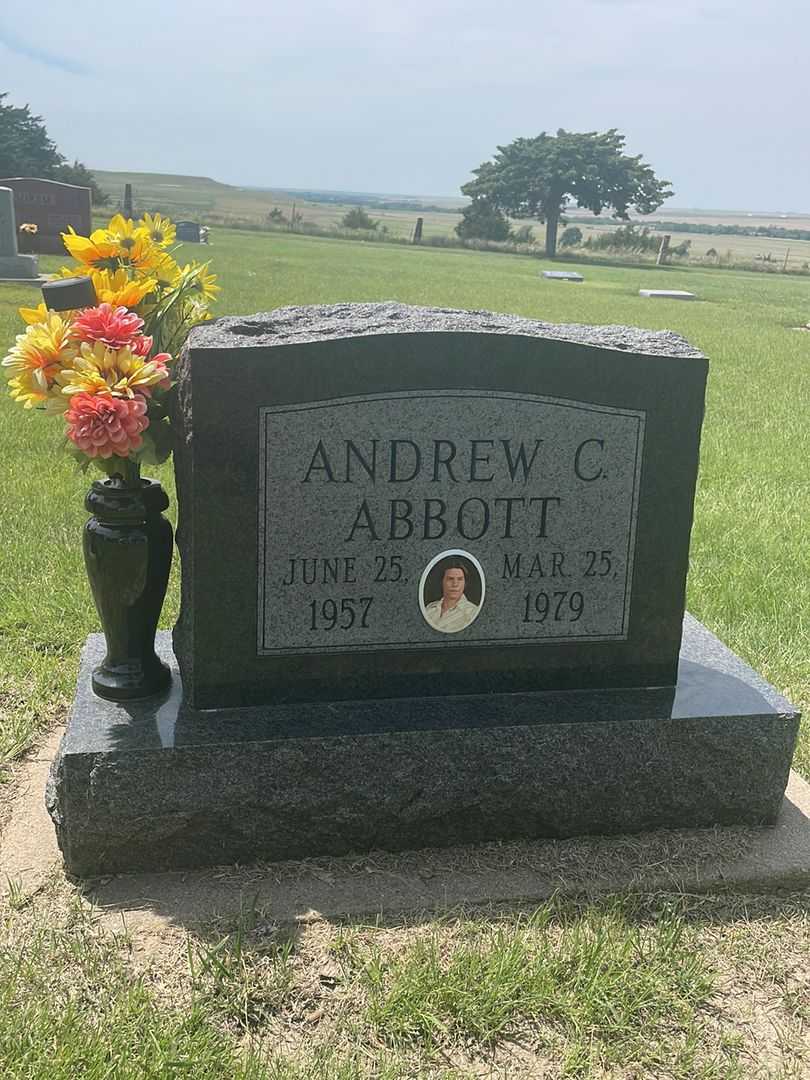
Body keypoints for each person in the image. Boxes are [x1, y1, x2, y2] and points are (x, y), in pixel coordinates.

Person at [423, 561, 479, 633]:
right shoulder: (429, 608)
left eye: (460, 579)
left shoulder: (472, 612)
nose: (455, 584)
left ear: (465, 583)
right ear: (442, 581)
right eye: (450, 579)